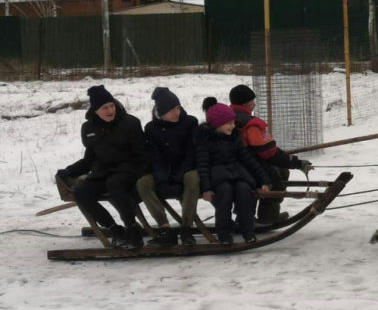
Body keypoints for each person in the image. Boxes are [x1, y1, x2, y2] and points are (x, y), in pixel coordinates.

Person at [56, 85, 149, 249]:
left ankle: (132, 228)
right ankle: (114, 229)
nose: (109, 110)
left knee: (114, 183)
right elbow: (88, 160)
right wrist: (69, 171)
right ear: (96, 110)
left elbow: (142, 154)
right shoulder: (88, 128)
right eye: (104, 107)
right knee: (81, 192)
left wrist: (141, 174)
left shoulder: (130, 123)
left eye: (111, 105)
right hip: (102, 172)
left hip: (128, 169)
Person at [228, 84, 312, 225]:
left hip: (232, 164)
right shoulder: (251, 124)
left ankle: (251, 216)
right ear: (245, 103)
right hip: (249, 165)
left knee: (282, 171)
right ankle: (266, 217)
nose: (254, 104)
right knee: (275, 182)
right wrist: (297, 163)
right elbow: (268, 153)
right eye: (252, 101)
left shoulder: (227, 117)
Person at [196, 97, 271, 244]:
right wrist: (206, 188)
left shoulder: (234, 139)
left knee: (244, 192)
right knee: (225, 195)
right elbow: (203, 166)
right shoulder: (206, 141)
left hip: (238, 175)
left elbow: (249, 161)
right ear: (217, 125)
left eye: (233, 122)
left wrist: (264, 180)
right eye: (229, 123)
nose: (233, 126)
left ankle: (247, 231)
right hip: (219, 179)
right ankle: (224, 234)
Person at [136, 87, 200, 246]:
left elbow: (191, 154)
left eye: (178, 108)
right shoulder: (151, 128)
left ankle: (187, 227)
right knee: (143, 183)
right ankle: (165, 229)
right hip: (162, 172)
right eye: (171, 110)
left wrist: (177, 177)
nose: (176, 112)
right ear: (161, 112)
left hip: (185, 169)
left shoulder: (190, 123)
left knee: (192, 178)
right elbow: (155, 157)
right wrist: (162, 178)